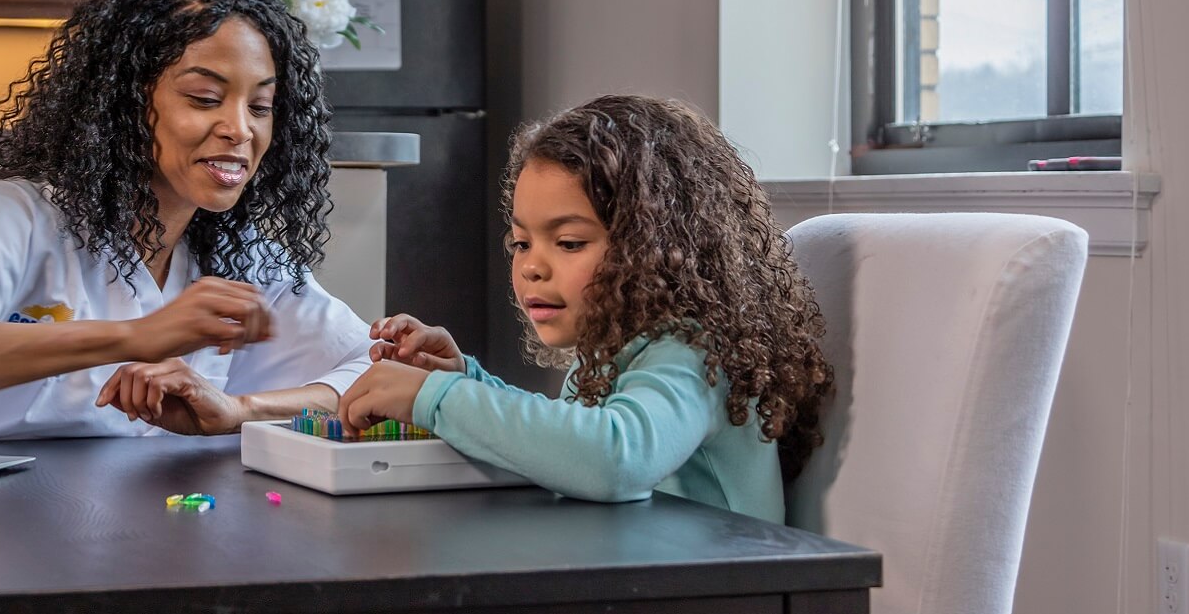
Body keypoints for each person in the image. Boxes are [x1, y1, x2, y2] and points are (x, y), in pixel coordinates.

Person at [0, 0, 370, 441]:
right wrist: (136, 335)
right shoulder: (20, 217)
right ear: (126, 104)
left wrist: (240, 411)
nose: (240, 129)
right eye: (203, 98)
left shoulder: (241, 257)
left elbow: (380, 375)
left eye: (261, 107)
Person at [338, 95, 832, 522]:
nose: (532, 267)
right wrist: (463, 377)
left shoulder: (692, 351)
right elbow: (566, 442)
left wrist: (438, 396)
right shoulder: (614, 348)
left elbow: (614, 457)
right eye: (521, 243)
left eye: (569, 242)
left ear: (653, 247)